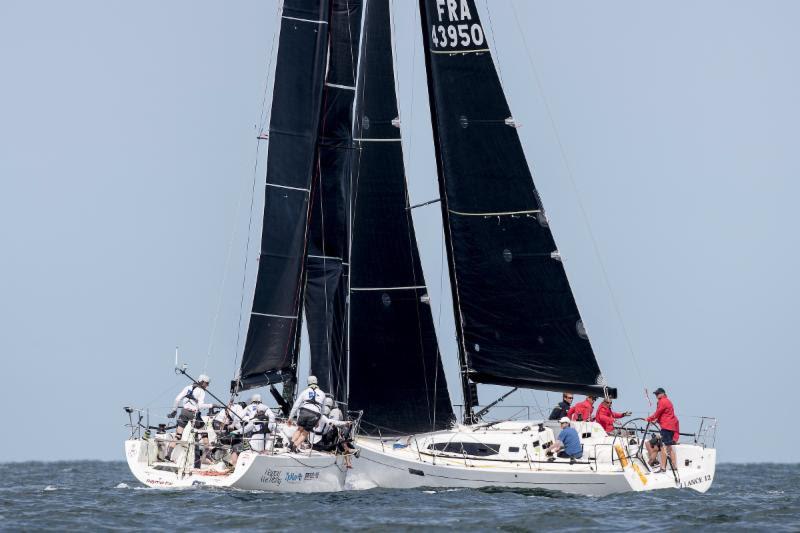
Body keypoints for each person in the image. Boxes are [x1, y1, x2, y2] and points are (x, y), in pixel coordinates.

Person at [167, 375, 213, 461]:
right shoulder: (201, 392)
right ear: (202, 382)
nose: (207, 385)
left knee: (178, 435)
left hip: (183, 412)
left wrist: (174, 411)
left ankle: (168, 455)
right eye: (207, 383)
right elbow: (200, 406)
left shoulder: (187, 387)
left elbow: (177, 399)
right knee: (204, 434)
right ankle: (208, 456)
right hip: (194, 414)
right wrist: (211, 405)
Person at [645, 387, 680, 473]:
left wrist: (648, 419)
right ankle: (674, 466)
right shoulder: (668, 401)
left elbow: (657, 413)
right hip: (670, 427)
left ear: (663, 393)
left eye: (658, 394)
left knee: (663, 447)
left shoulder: (662, 401)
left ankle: (663, 468)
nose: (656, 395)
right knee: (668, 447)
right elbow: (665, 414)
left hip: (666, 427)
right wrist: (657, 421)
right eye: (656, 394)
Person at [289, 376, 326, 451]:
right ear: (316, 382)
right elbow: (323, 410)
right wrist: (318, 421)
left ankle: (290, 445)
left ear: (308, 382)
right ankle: (294, 447)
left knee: (299, 429)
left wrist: (290, 418)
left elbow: (296, 405)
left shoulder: (305, 391)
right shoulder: (322, 393)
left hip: (304, 411)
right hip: (315, 414)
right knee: (305, 432)